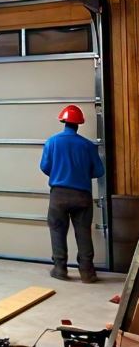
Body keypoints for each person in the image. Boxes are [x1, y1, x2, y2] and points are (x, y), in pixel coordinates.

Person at [40, 104, 105, 283]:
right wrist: (82, 173)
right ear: (79, 124)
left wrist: (60, 173)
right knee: (83, 232)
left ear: (63, 121)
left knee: (57, 231)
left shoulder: (52, 142)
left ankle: (60, 269)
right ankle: (87, 273)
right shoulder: (88, 146)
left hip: (58, 195)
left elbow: (44, 167)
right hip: (82, 196)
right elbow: (99, 171)